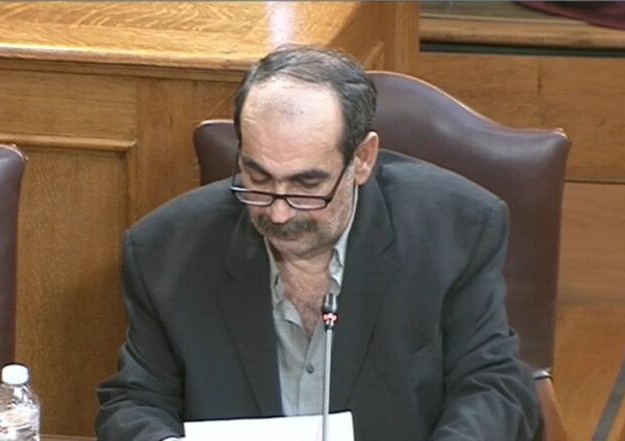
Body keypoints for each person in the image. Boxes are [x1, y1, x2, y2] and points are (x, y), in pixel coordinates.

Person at [96, 45, 541, 441]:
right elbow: (135, 403)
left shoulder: (456, 231)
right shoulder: (164, 252)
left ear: (361, 160)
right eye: (258, 178)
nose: (279, 213)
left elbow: (493, 387)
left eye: (307, 185)